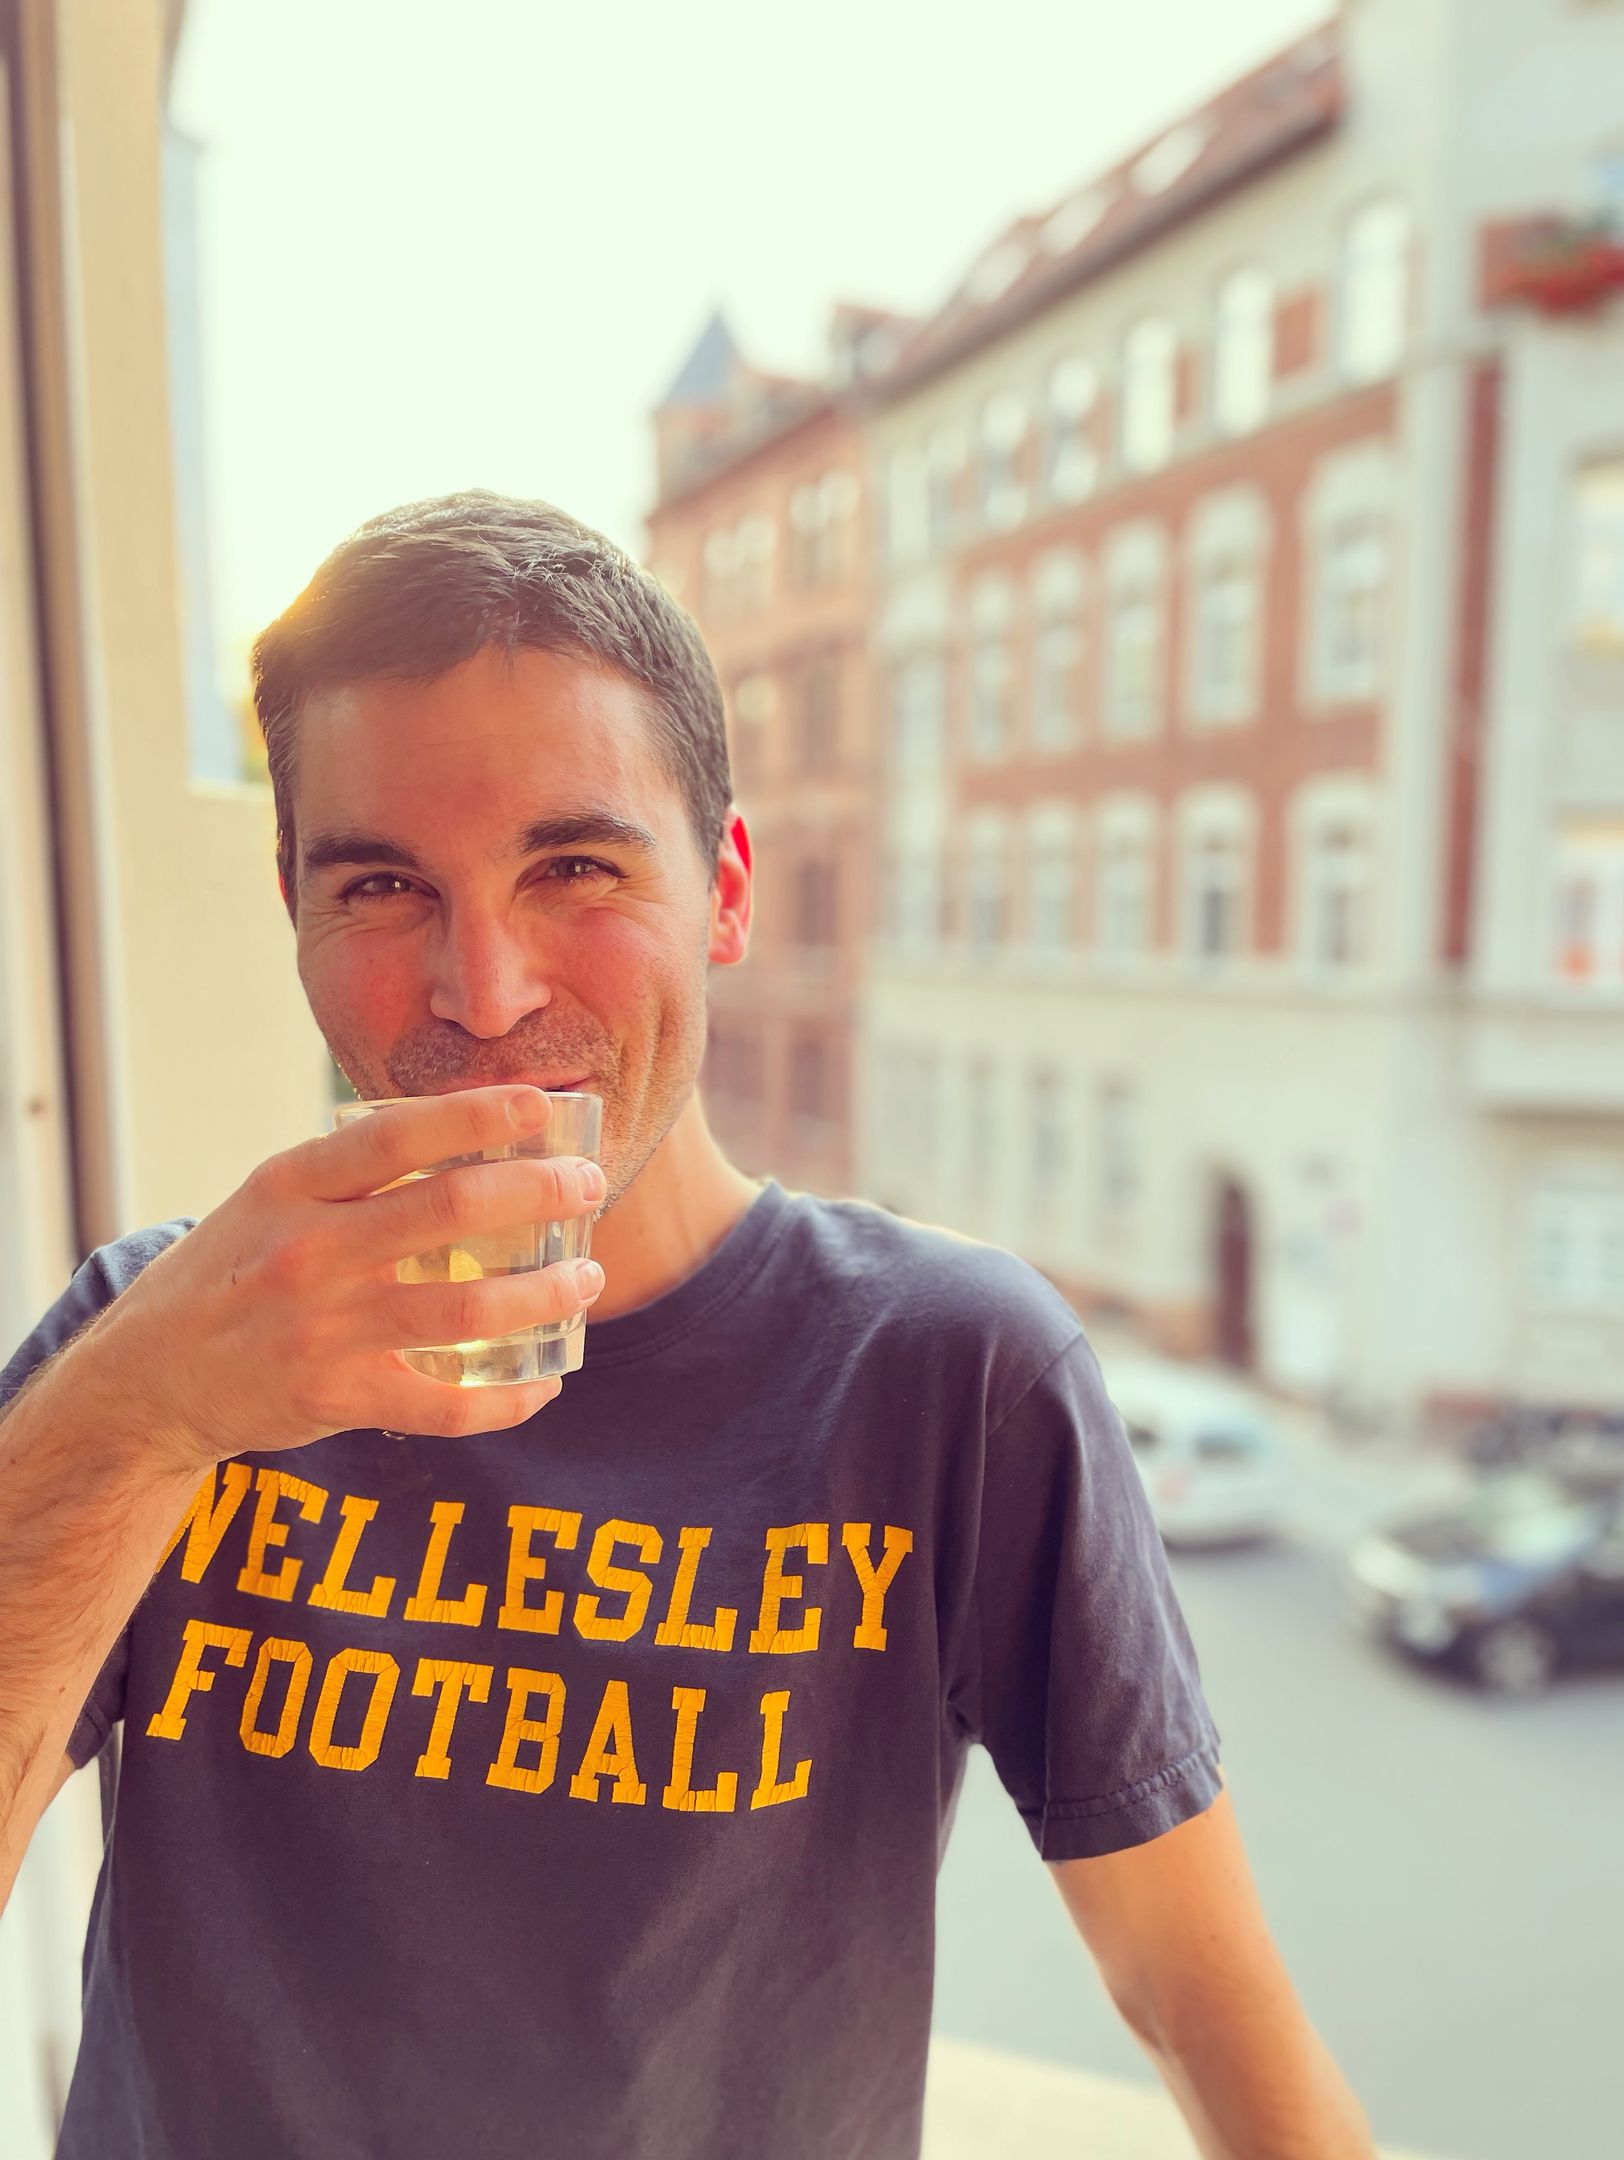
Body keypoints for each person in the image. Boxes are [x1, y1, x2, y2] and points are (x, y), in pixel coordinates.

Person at [0, 492, 1376, 2159]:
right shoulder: (149, 1347)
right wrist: (143, 1415)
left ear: (724, 892)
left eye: (573, 867)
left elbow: (1192, 1988)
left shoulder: (949, 1375)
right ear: (293, 904)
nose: (486, 991)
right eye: (382, 884)